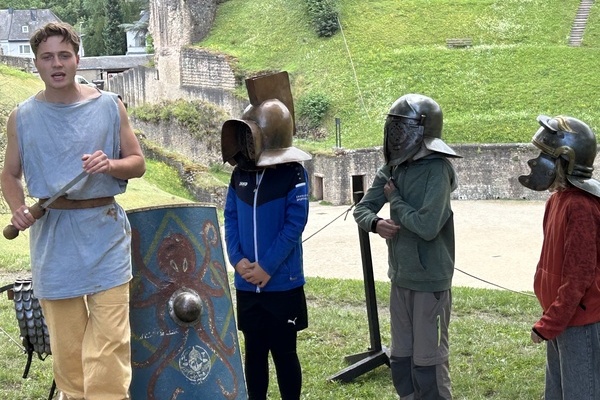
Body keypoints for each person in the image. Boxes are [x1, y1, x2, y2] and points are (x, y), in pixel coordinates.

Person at [0, 22, 145, 400]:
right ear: (36, 63)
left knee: (110, 344)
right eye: (47, 57)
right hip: (54, 241)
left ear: (77, 59)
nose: (57, 64)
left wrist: (110, 165)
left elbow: (137, 162)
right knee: (68, 353)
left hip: (104, 233)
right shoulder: (22, 117)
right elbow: (10, 174)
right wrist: (18, 207)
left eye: (64, 55)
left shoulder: (109, 106)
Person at [353, 94, 460, 399]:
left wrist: (396, 200)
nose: (397, 137)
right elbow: (362, 208)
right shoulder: (392, 168)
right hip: (401, 278)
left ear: (422, 130)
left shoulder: (438, 170)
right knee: (401, 361)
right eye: (394, 128)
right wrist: (376, 223)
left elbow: (428, 226)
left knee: (429, 364)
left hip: (429, 281)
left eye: (403, 129)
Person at [221, 96, 311, 400]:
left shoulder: (293, 173)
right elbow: (230, 218)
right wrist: (237, 260)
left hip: (283, 285)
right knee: (254, 354)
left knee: (285, 354)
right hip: (247, 285)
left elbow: (294, 224)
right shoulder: (239, 175)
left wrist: (267, 267)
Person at [518, 115, 600, 400]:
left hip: (579, 321)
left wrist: (550, 323)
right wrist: (552, 316)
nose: (535, 161)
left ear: (564, 160)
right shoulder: (557, 200)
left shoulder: (581, 206)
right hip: (561, 317)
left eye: (544, 155)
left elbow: (579, 277)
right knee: (556, 394)